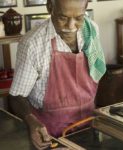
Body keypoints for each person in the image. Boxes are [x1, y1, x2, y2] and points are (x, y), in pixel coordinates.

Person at [8, 0, 106, 149]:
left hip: (89, 127)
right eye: (63, 17)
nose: (71, 26)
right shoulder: (33, 43)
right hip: (50, 136)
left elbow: (93, 78)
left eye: (78, 17)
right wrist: (30, 120)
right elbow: (16, 97)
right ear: (50, 7)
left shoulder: (91, 30)